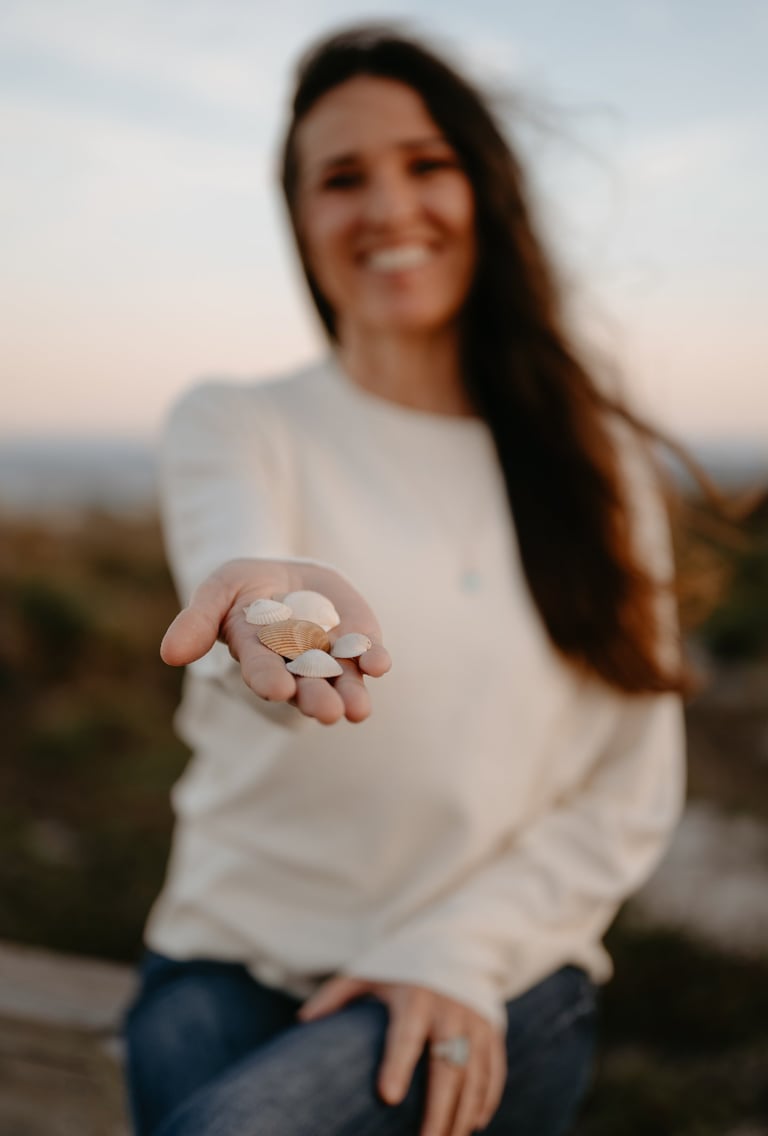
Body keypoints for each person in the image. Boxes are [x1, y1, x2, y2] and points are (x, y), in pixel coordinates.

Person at [123, 23, 687, 1136]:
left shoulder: (591, 463)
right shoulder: (237, 423)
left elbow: (631, 786)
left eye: (425, 164)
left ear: (483, 187)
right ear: (300, 219)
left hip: (494, 969)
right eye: (342, 178)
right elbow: (236, 579)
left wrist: (454, 950)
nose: (387, 208)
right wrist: (253, 623)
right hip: (224, 960)